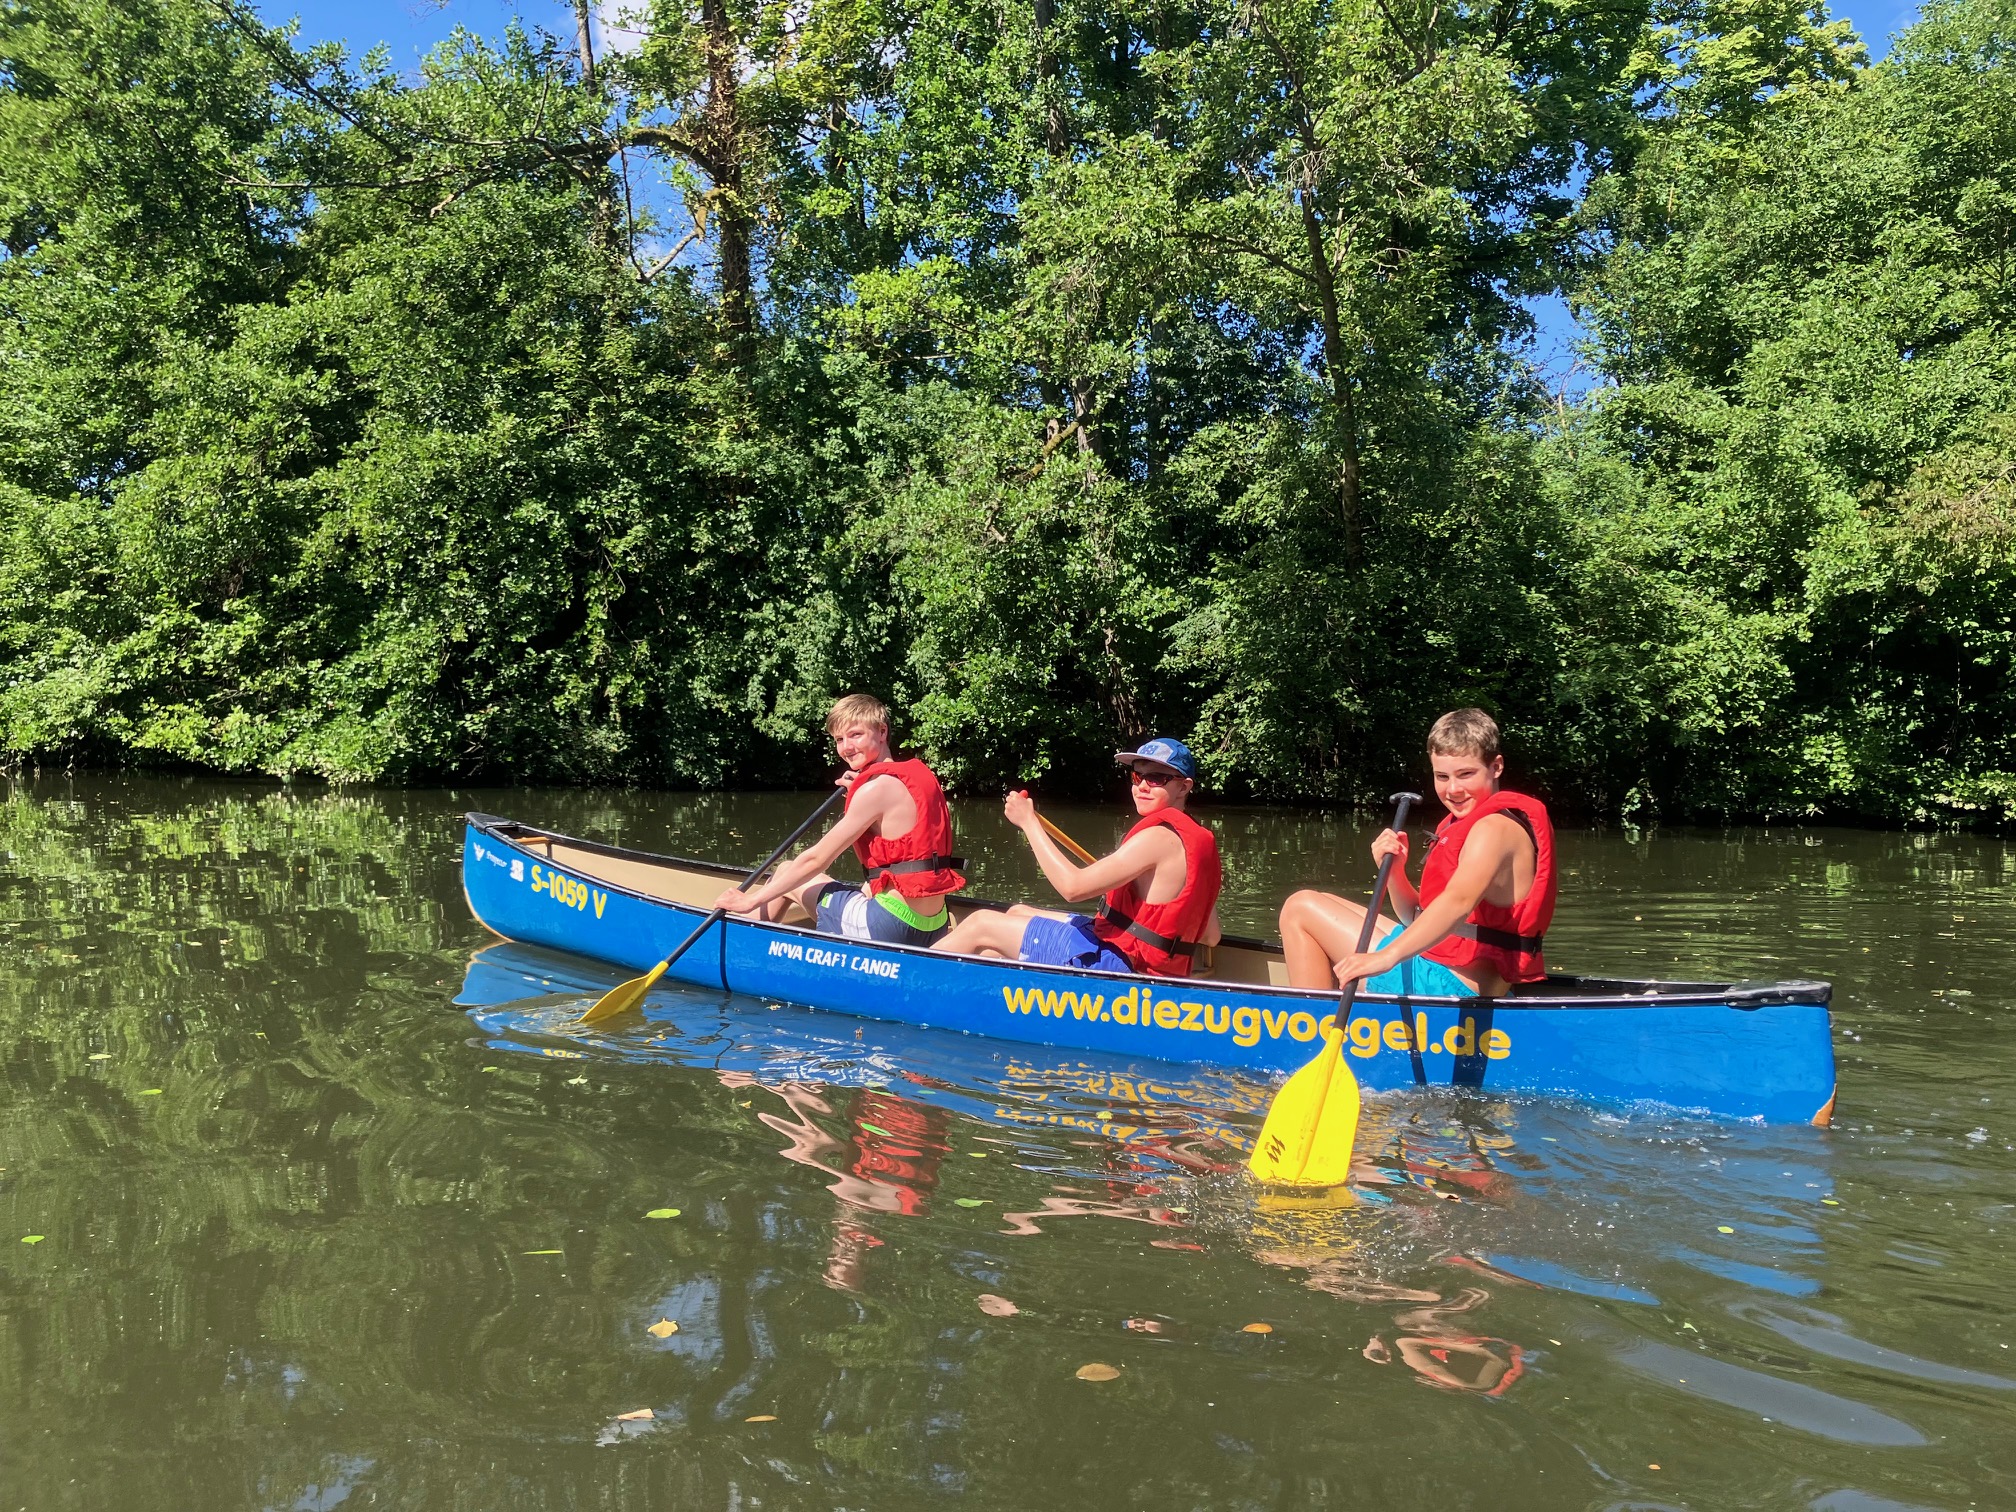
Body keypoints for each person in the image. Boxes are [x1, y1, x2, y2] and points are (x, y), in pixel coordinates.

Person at [1278, 708, 1556, 997]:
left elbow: (1457, 903)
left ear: (1496, 767)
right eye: (1442, 776)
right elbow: (1416, 918)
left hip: (1448, 986)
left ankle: (1310, 1019)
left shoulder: (1494, 829)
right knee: (1321, 900)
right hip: (1439, 968)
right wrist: (1395, 873)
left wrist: (1386, 957)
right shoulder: (1468, 823)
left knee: (1300, 907)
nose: (1453, 789)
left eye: (1466, 774)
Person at [934, 737, 1223, 977]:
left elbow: (1072, 888)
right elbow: (1211, 936)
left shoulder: (1158, 838)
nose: (1142, 786)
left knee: (981, 923)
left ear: (1183, 786)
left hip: (1122, 966)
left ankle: (911, 980)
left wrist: (1029, 822)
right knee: (1017, 912)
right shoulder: (1197, 840)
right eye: (1137, 776)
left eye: (1157, 778)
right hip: (1141, 958)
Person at [712, 694, 965, 948]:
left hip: (889, 928)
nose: (846, 747)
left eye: (855, 735)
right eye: (839, 739)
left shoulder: (873, 790)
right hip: (934, 925)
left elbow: (815, 860)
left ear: (882, 731)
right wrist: (861, 787)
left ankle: (740, 945)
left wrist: (751, 900)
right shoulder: (919, 776)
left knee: (786, 871)